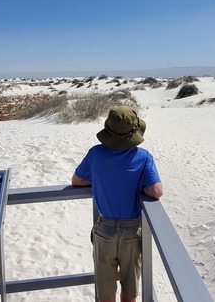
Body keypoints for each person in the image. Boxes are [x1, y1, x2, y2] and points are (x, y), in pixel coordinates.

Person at [72, 105, 163, 302]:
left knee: (105, 292)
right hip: (131, 230)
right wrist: (139, 187)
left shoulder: (95, 154)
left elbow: (77, 180)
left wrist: (99, 179)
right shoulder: (143, 157)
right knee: (130, 290)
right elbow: (156, 191)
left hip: (104, 230)